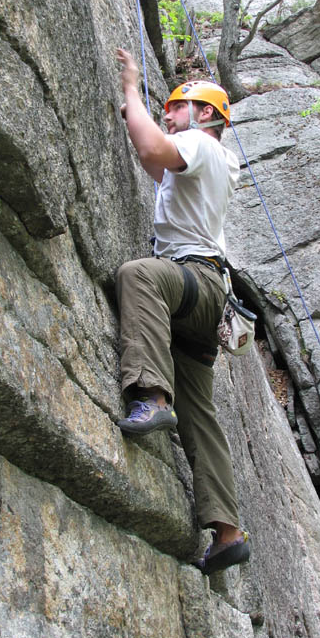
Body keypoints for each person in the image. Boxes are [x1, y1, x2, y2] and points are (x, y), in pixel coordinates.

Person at [115, 48, 250, 575]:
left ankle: (151, 395)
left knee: (138, 274)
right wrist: (138, 117)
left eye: (178, 105)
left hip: (195, 282)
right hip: (203, 300)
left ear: (207, 115)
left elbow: (153, 144)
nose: (168, 112)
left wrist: (131, 89)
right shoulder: (201, 162)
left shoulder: (203, 144)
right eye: (166, 107)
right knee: (202, 412)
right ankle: (227, 531)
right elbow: (152, 157)